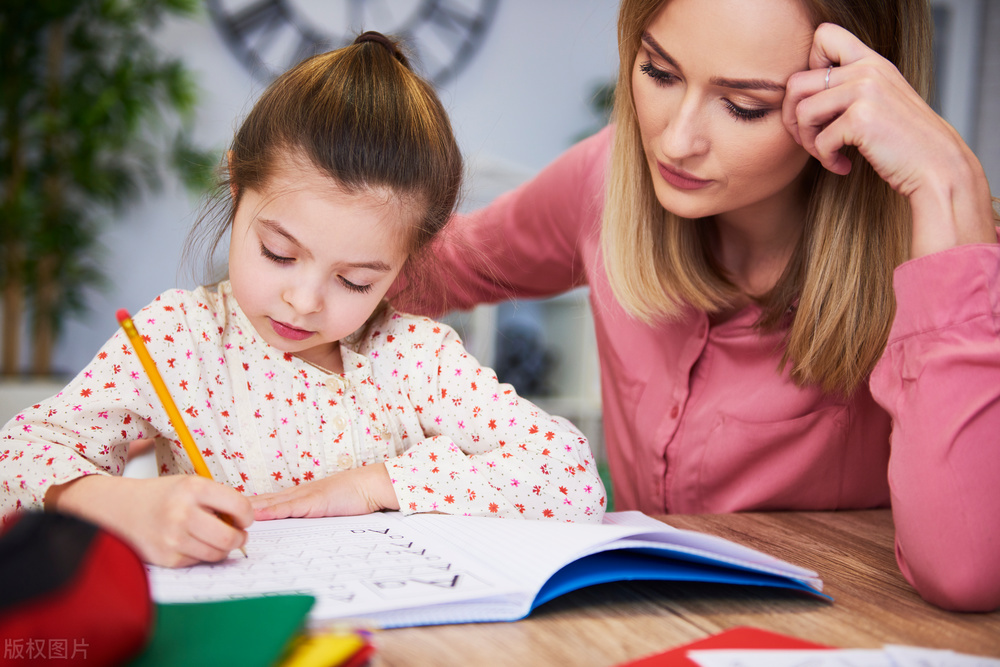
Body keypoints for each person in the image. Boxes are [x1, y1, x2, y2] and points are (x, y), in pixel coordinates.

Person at [393, 0, 1000, 612]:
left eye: (745, 106)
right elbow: (411, 271)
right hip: (629, 621)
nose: (677, 141)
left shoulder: (951, 267)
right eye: (659, 72)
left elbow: (966, 572)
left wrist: (947, 182)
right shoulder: (604, 178)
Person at [0, 32, 606, 568]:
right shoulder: (178, 339)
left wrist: (373, 485)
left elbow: (571, 477)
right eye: (279, 253)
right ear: (237, 186)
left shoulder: (416, 359)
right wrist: (120, 504)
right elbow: (19, 457)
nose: (304, 300)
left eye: (355, 281)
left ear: (407, 260)